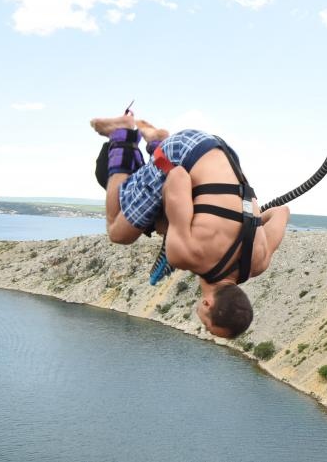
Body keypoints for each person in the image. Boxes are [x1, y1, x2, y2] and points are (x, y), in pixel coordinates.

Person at [91, 112, 290, 339]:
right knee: (119, 231)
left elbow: (280, 212)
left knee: (164, 217)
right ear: (207, 304)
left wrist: (247, 223)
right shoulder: (188, 254)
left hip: (223, 152)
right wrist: (169, 221)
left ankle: (157, 137)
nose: (203, 327)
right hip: (182, 151)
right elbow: (178, 177)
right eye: (207, 326)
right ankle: (122, 133)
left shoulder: (258, 262)